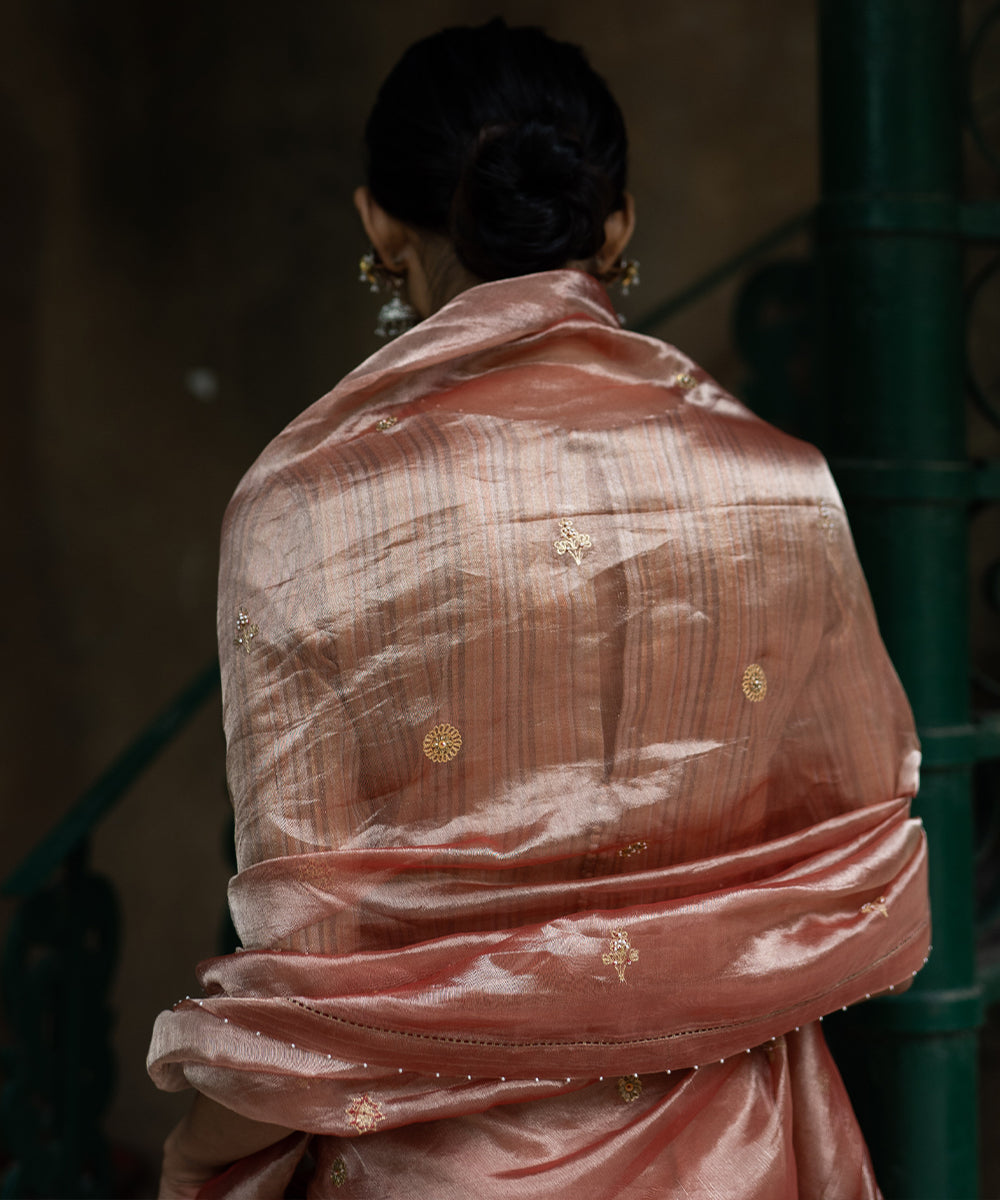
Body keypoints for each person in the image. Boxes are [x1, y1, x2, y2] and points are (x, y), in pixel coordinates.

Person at [148, 19, 930, 1199]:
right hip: (744, 1151)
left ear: (376, 224)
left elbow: (309, 957)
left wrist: (198, 1150)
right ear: (615, 226)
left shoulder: (304, 507)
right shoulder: (778, 484)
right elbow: (861, 833)